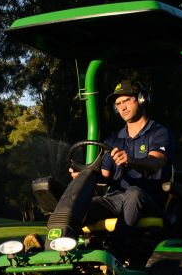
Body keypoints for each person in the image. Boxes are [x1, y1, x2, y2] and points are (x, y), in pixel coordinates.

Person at [70, 78, 175, 242]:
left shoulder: (159, 132)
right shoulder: (113, 140)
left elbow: (156, 163)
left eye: (126, 100)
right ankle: (57, 246)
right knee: (82, 205)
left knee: (134, 192)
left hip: (149, 200)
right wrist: (83, 177)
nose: (122, 107)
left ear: (141, 99)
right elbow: (103, 178)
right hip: (116, 199)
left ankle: (115, 250)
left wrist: (130, 161)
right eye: (118, 104)